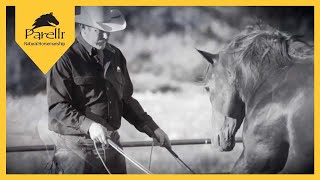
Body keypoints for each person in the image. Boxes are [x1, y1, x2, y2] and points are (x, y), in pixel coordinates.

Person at [47, 6, 171, 174]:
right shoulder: (65, 58)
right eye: (99, 30)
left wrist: (153, 129)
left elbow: (126, 100)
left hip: (112, 146)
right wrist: (89, 125)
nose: (105, 36)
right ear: (83, 27)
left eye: (107, 30)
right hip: (75, 151)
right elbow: (58, 107)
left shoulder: (115, 55)